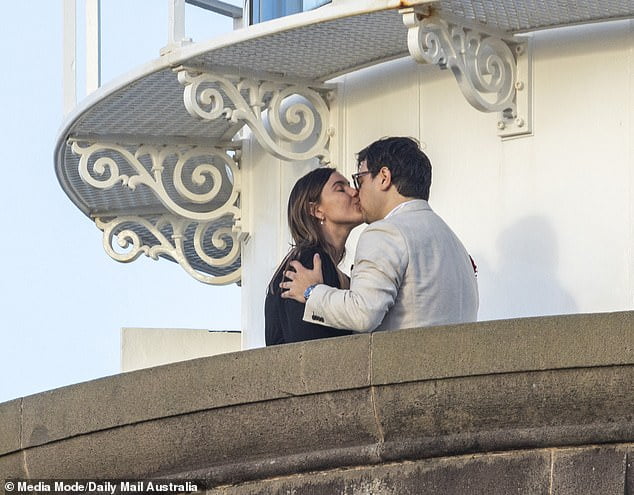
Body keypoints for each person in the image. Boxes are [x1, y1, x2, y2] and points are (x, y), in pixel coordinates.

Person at [280, 136, 478, 332]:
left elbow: (363, 314)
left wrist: (311, 291)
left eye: (360, 180)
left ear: (384, 177)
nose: (356, 192)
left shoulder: (386, 232)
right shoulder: (454, 242)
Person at [265, 167, 364, 345]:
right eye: (341, 188)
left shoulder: (313, 261)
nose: (354, 192)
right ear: (316, 210)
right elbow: (309, 350)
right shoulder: (308, 262)